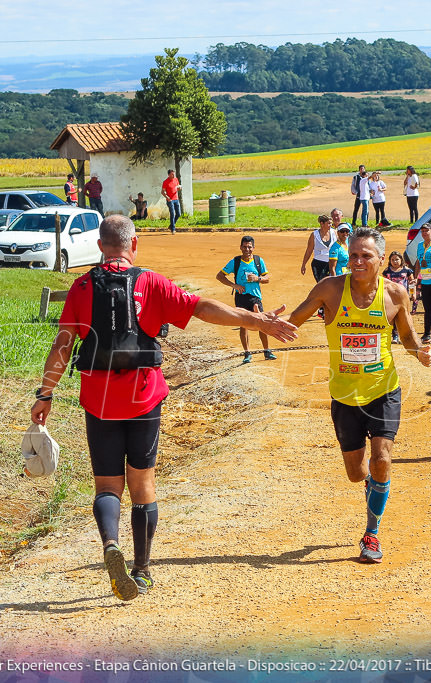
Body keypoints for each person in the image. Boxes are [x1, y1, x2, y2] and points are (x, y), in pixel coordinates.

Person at [31, 215, 296, 601]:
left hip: (99, 399)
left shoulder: (82, 286)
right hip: (144, 397)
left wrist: (45, 393)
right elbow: (202, 307)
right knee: (143, 486)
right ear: (133, 244)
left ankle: (110, 544)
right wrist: (256, 320)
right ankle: (141, 571)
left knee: (107, 486)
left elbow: (63, 344)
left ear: (101, 245)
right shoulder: (150, 282)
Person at [287, 227, 431, 563]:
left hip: (383, 390)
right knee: (357, 473)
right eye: (353, 254)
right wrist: (268, 323)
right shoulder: (329, 289)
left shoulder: (396, 294)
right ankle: (372, 486)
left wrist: (420, 352)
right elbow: (295, 320)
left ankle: (371, 533)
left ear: (382, 260)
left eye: (365, 255)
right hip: (344, 394)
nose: (357, 261)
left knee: (382, 460)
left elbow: (409, 338)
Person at [216, 235, 276, 363]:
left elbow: (267, 278)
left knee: (262, 323)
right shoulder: (235, 262)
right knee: (243, 325)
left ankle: (267, 351)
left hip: (255, 297)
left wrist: (257, 279)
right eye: (244, 247)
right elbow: (219, 276)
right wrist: (234, 285)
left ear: (253, 248)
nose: (247, 249)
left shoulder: (259, 261)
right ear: (240, 247)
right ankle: (247, 353)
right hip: (241, 297)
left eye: (249, 247)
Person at [383, 251, 416, 343]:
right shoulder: (387, 271)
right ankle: (395, 336)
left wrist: (413, 294)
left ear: (401, 260)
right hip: (390, 297)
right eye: (392, 260)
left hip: (404, 297)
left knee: (404, 316)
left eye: (397, 259)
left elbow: (412, 283)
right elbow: (383, 284)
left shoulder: (407, 270)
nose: (395, 261)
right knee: (392, 317)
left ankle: (405, 336)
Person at [162, 170, 181, 234]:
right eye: (172, 174)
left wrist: (179, 188)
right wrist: (167, 197)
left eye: (174, 174)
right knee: (172, 214)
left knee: (178, 214)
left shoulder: (176, 179)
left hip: (176, 199)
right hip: (170, 200)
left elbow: (178, 187)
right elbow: (163, 191)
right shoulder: (165, 182)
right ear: (169, 175)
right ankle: (173, 229)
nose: (173, 175)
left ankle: (171, 225)